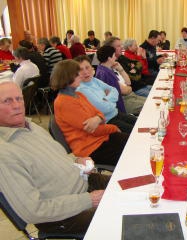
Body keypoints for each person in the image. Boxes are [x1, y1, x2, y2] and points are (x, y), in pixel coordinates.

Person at [0, 80, 111, 235]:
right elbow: (33, 211)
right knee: (128, 218)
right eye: (7, 101)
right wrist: (89, 200)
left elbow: (57, 158)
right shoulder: (4, 153)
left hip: (83, 184)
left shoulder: (31, 127)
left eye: (19, 98)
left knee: (134, 187)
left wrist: (77, 161)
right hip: (64, 216)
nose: (17, 105)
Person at [51, 60, 129, 166]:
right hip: (90, 148)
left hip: (101, 139)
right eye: (77, 74)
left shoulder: (78, 94)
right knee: (134, 153)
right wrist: (113, 128)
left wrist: (97, 118)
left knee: (136, 142)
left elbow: (100, 114)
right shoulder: (63, 102)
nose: (80, 76)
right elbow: (93, 130)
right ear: (68, 77)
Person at [74, 55, 136, 133]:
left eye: (87, 67)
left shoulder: (94, 80)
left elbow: (115, 90)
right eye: (80, 69)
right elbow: (104, 109)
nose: (85, 72)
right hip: (107, 121)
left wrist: (105, 99)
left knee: (141, 123)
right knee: (136, 132)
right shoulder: (81, 89)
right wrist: (110, 99)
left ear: (91, 67)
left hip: (116, 113)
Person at [96, 45, 146, 115]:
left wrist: (121, 69)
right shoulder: (106, 73)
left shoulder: (109, 68)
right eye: (114, 55)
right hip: (124, 101)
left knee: (151, 101)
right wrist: (130, 88)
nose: (115, 57)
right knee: (150, 105)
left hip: (130, 96)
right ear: (109, 58)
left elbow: (128, 82)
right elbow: (124, 91)